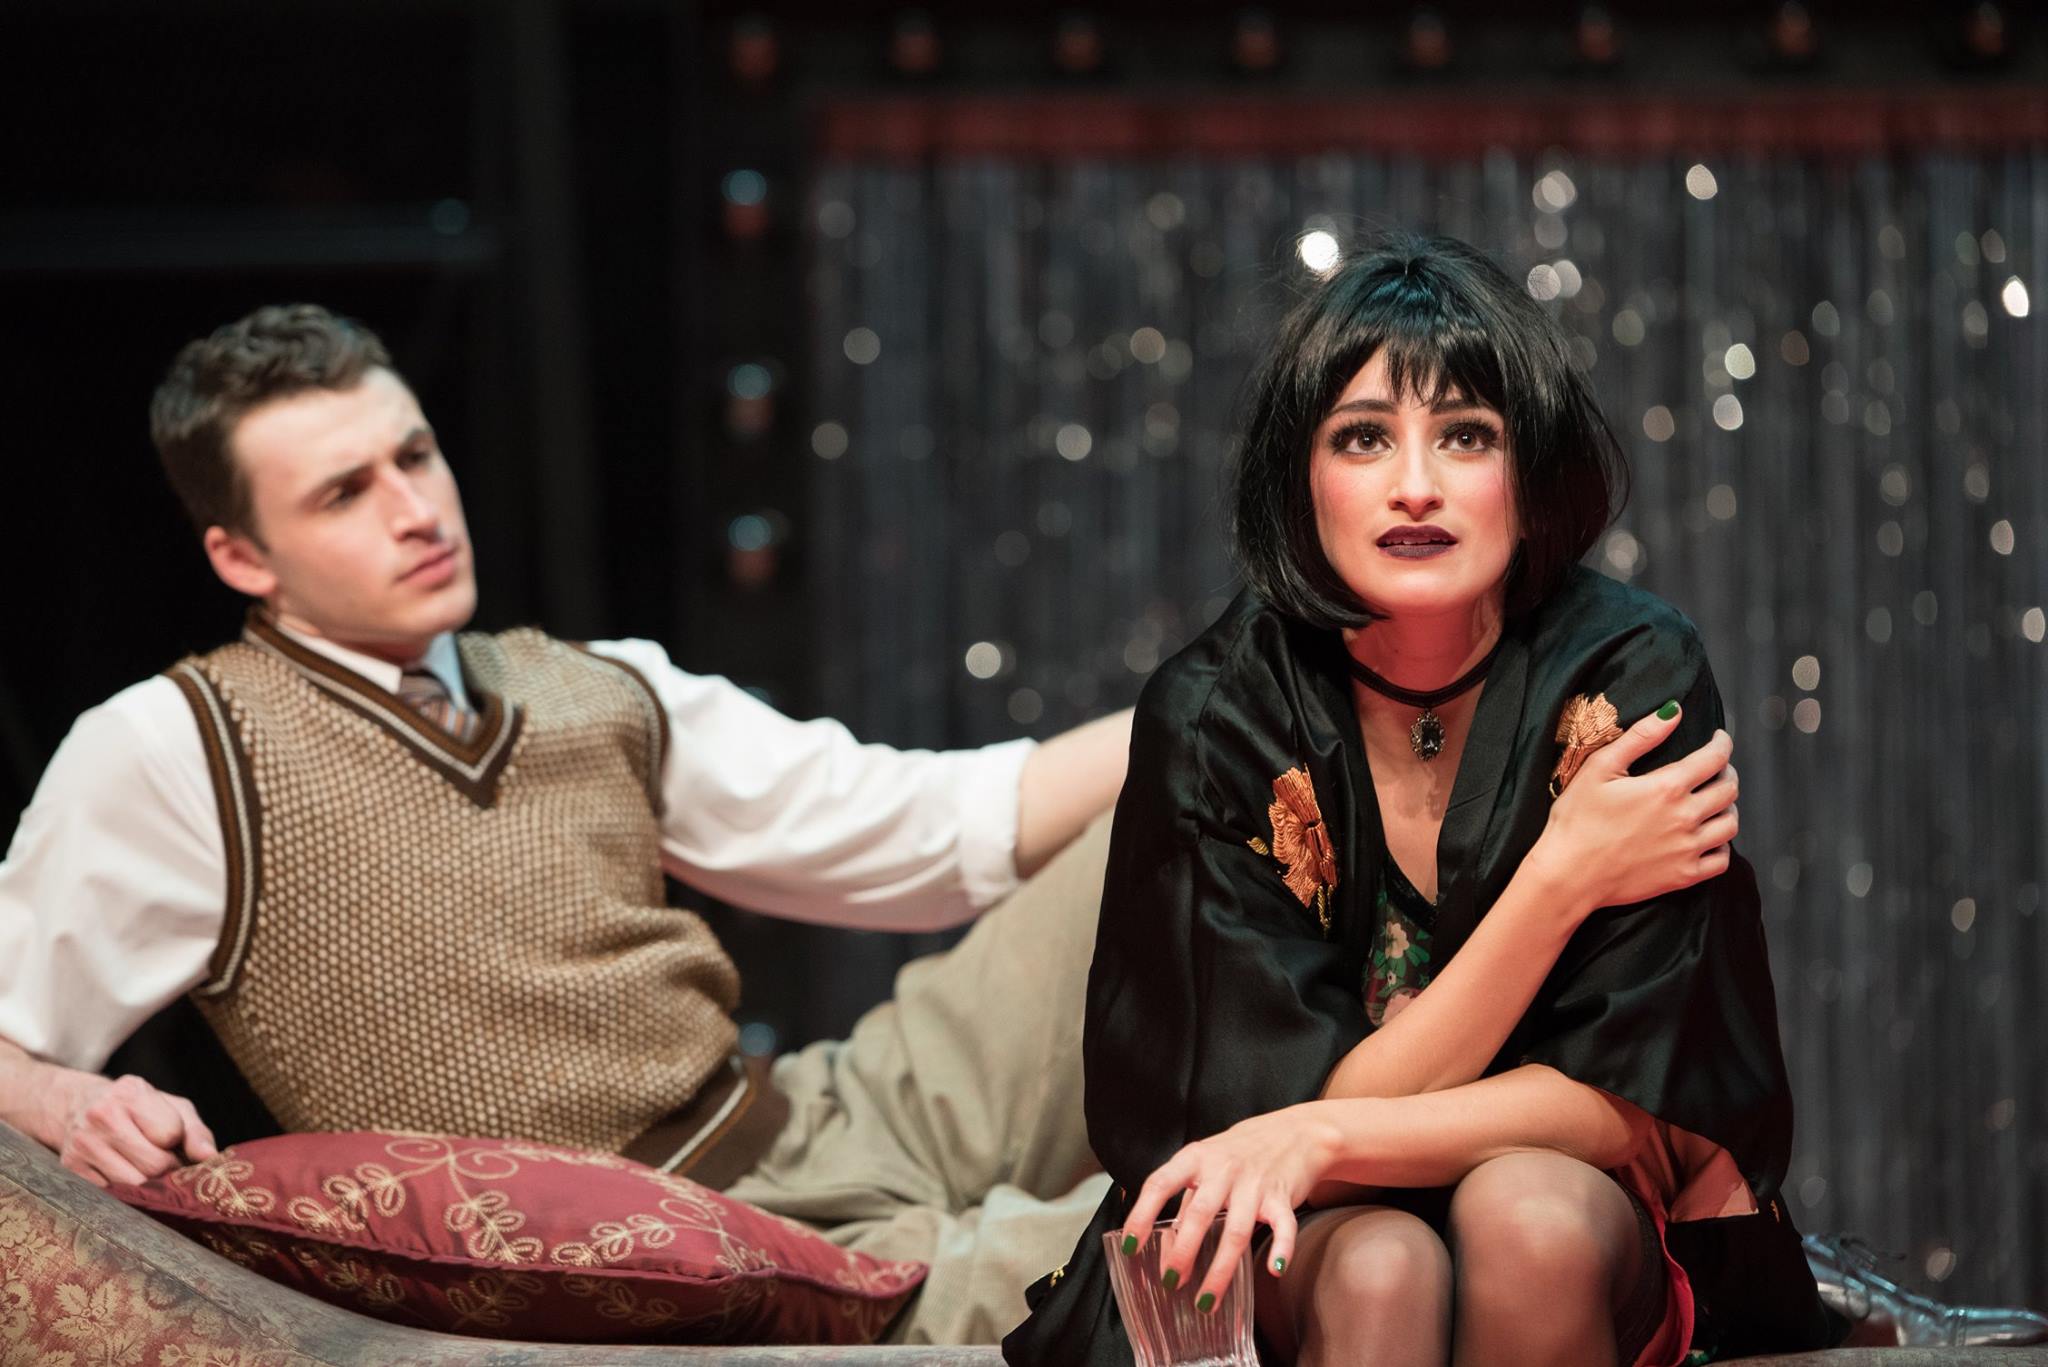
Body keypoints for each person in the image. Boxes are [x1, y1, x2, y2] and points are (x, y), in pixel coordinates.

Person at [0, 302, 1130, 1345]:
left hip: (837, 1106)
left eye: (414, 456)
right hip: (708, 1254)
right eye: (344, 494)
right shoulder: (175, 747)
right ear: (243, 557)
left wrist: (1202, 711)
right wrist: (65, 1095)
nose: (415, 512)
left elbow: (936, 826)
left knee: (1185, 807)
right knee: (1183, 1253)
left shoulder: (596, 685)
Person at [1005, 234, 1838, 1367]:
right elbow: (1253, 1135)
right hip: (1252, 1230)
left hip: (1564, 1197)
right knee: (1382, 1263)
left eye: (1465, 434)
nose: (1415, 485)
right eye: (1362, 436)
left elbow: (1635, 1102)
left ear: (1528, 471)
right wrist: (1561, 879)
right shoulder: (1215, 717)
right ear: (1299, 476)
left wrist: (1323, 1130)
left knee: (1529, 1220)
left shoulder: (1629, 678)